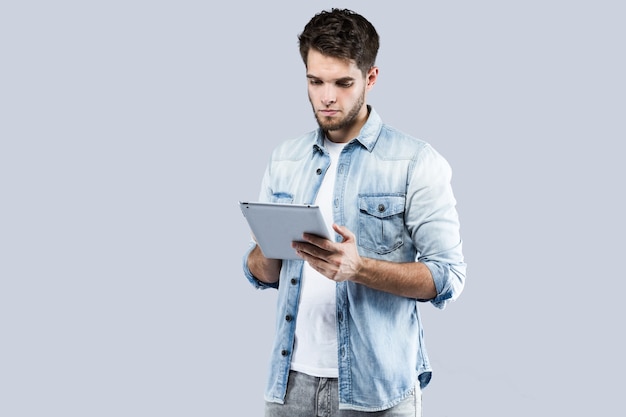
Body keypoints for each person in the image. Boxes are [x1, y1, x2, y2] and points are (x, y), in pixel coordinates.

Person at [242, 8, 466, 416]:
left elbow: (447, 276)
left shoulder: (415, 160)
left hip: (378, 390)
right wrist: (263, 249)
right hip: (290, 385)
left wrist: (359, 268)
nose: (327, 97)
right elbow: (266, 273)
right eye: (316, 81)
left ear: (371, 78)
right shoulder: (284, 158)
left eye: (343, 83)